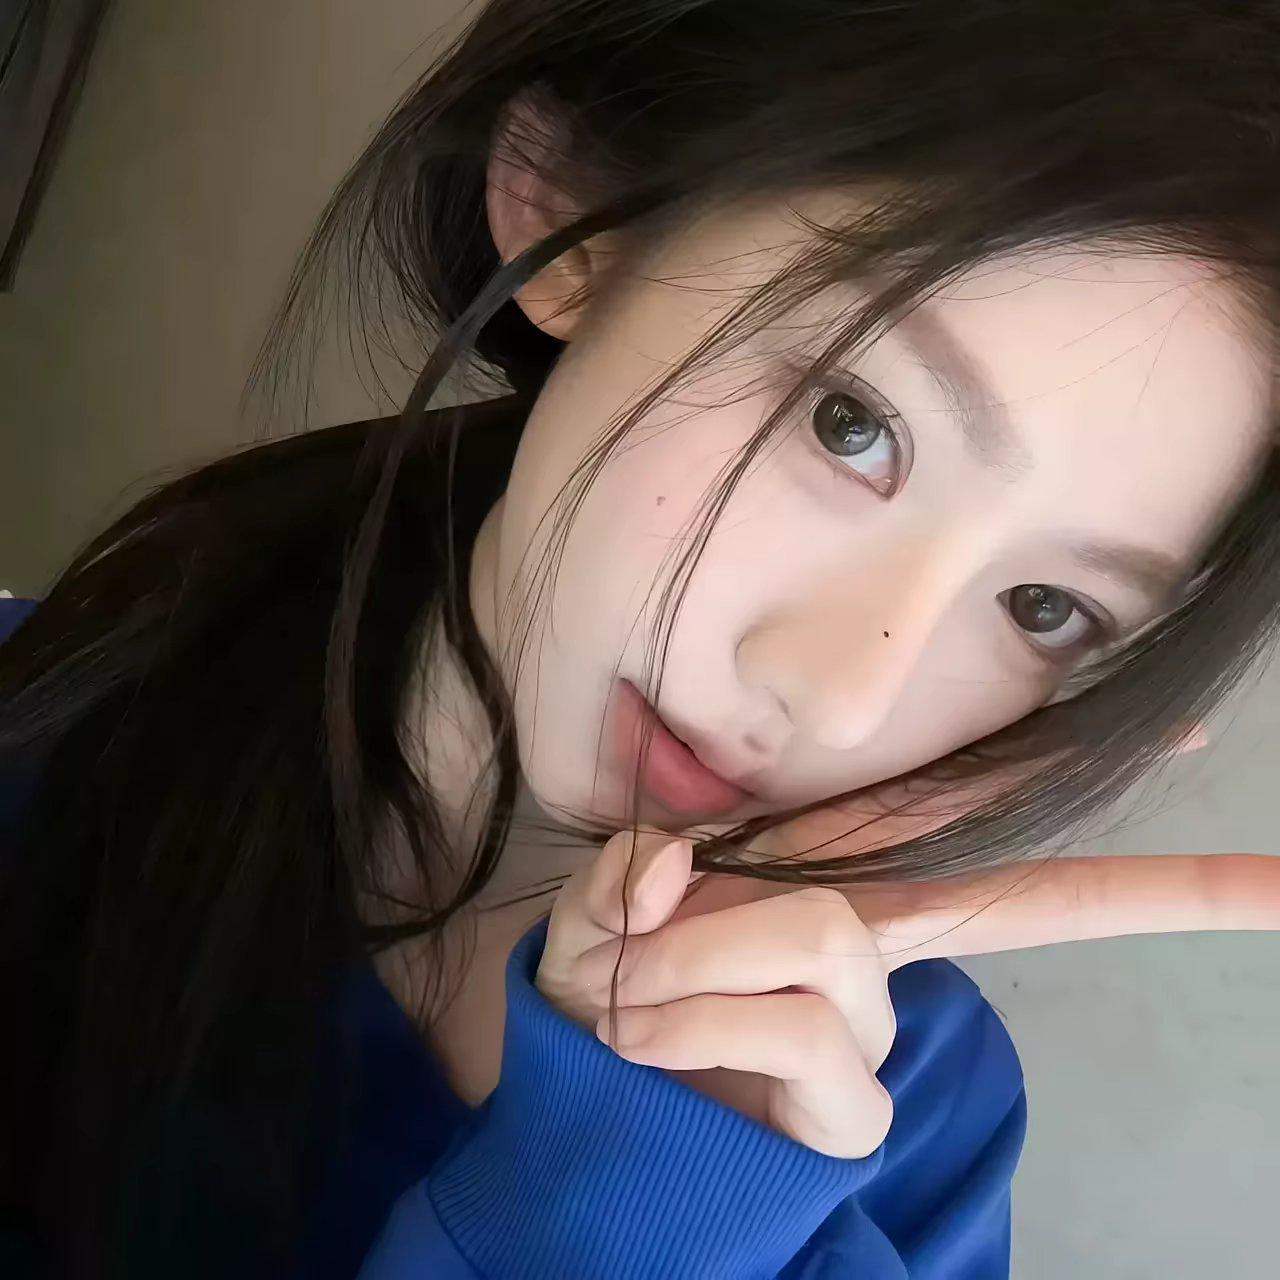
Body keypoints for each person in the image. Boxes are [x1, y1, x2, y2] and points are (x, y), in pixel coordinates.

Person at [3, 1, 1280, 1275]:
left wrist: (653, 1200)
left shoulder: (911, 1117)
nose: (839, 698)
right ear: (576, 211)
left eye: (1043, 607)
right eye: (849, 423)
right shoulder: (43, 735)